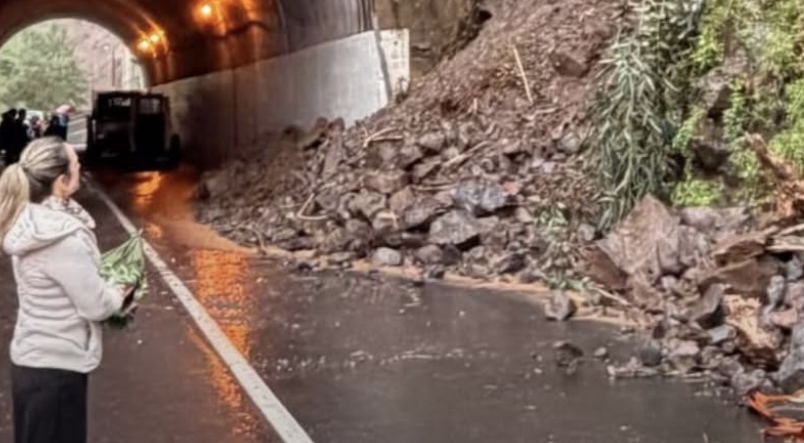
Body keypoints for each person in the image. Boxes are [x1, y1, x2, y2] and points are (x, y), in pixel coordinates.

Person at [0, 137, 135, 443]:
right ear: (61, 182)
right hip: (56, 373)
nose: (80, 167)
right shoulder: (63, 240)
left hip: (31, 366)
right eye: (76, 165)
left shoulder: (29, 223)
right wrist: (119, 292)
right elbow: (95, 306)